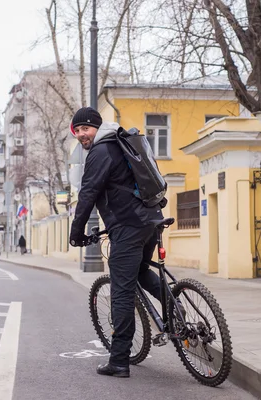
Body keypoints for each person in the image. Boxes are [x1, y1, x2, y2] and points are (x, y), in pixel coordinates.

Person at [69, 106, 170, 378]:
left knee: (121, 291)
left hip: (128, 225)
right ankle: (176, 311)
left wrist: (76, 232)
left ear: (96, 127)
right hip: (151, 219)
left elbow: (88, 193)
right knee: (139, 272)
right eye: (77, 130)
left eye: (85, 128)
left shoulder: (100, 151)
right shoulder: (122, 143)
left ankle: (119, 360)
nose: (81, 134)